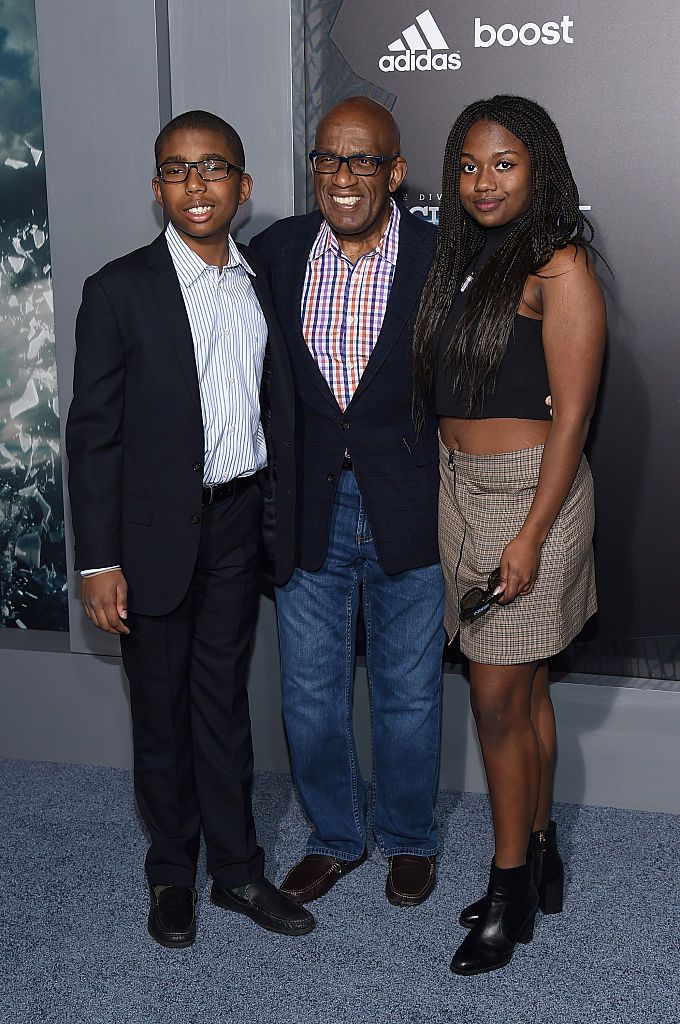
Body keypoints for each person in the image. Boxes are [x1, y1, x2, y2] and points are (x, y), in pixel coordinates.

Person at [66, 109, 314, 947]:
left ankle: (237, 872)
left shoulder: (262, 284)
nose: (194, 184)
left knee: (224, 706)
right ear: (156, 188)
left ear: (243, 188)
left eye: (212, 169)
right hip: (151, 539)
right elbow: (92, 435)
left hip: (240, 523)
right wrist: (98, 562)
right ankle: (172, 872)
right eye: (177, 169)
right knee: (161, 713)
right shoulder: (118, 290)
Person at [413, 95, 606, 975]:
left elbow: (572, 421)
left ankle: (507, 889)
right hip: (459, 490)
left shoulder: (558, 265)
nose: (482, 182)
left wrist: (529, 535)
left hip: (532, 497)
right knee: (523, 696)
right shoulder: (459, 258)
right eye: (468, 166)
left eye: (504, 164)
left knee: (493, 703)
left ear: (540, 170)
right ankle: (542, 854)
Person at [250, 97, 445, 907]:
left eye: (363, 161)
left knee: (408, 690)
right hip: (309, 509)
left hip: (413, 507)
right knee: (310, 692)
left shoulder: (441, 257)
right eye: (328, 159)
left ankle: (407, 839)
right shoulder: (276, 251)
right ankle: (336, 837)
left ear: (396, 173)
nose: (342, 176)